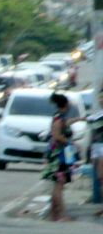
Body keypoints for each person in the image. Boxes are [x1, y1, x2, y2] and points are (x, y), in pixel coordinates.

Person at [41, 93, 81, 221]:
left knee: (57, 185)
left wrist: (80, 119)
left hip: (58, 155)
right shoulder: (59, 119)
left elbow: (66, 124)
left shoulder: (60, 117)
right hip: (59, 156)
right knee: (59, 185)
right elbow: (56, 135)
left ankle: (54, 214)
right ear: (65, 105)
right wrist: (70, 143)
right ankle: (62, 214)